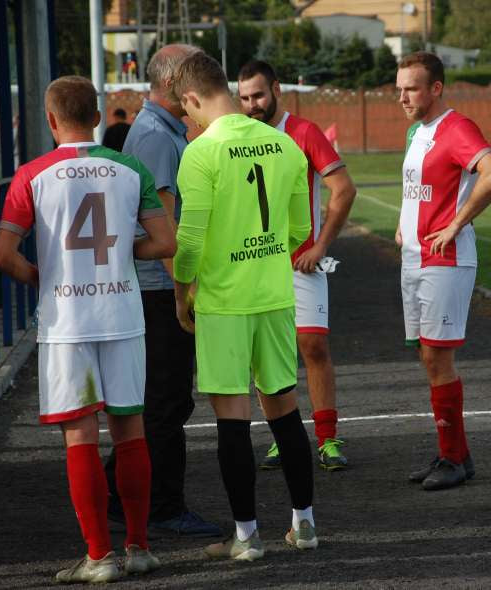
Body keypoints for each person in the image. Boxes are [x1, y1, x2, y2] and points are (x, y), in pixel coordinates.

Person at [0, 75, 175, 583]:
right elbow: (165, 243)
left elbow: (3, 255)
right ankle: (138, 547)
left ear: (51, 121)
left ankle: (98, 558)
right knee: (131, 430)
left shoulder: (31, 176)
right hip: (122, 314)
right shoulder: (131, 167)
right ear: (97, 116)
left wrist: (41, 275)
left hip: (67, 320)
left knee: (80, 435)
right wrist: (122, 252)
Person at [171, 50, 316, 560]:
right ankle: (304, 525)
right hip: (274, 296)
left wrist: (181, 290)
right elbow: (301, 230)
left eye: (185, 110)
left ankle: (247, 538)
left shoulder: (200, 152)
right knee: (285, 409)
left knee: (232, 418)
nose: (187, 119)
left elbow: (189, 240)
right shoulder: (284, 144)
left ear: (191, 98)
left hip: (224, 301)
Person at [102, 43, 222, 538]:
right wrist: (183, 292)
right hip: (159, 289)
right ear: (175, 83)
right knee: (167, 401)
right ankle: (162, 506)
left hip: (157, 286)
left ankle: (120, 493)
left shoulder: (163, 131)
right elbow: (167, 227)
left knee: (162, 399)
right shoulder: (155, 137)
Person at [237, 59, 357, 471]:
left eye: (258, 95)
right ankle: (280, 436)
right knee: (266, 355)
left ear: (275, 90)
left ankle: (327, 439)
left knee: (313, 345)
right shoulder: (236, 138)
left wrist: (321, 245)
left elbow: (343, 188)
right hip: (254, 266)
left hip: (302, 264)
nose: (252, 104)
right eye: (244, 98)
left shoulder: (304, 132)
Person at [395, 52, 491, 491]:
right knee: (428, 355)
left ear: (436, 88)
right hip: (417, 258)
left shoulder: (457, 128)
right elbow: (420, 187)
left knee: (438, 356)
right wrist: (405, 227)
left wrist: (457, 222)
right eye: (400, 87)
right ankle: (455, 454)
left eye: (412, 88)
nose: (402, 95)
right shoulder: (416, 131)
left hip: (446, 259)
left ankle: (452, 458)